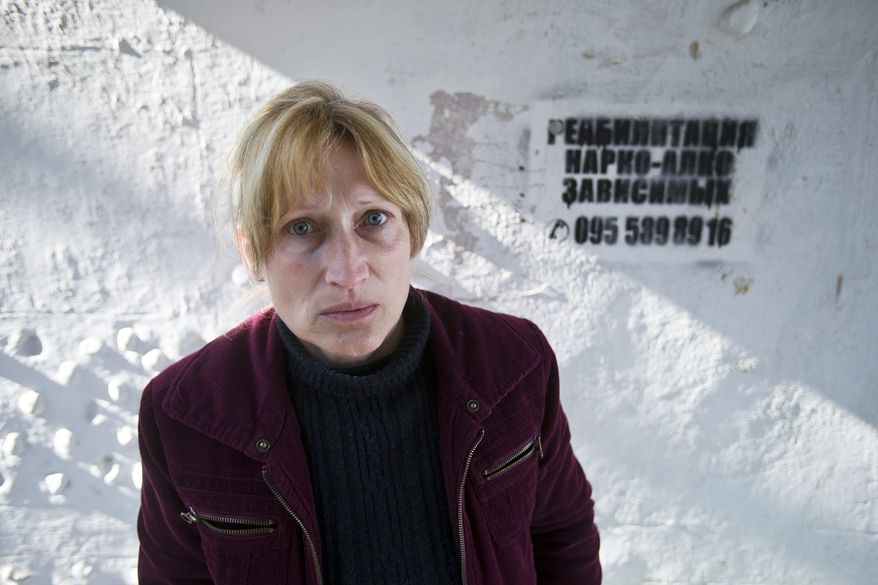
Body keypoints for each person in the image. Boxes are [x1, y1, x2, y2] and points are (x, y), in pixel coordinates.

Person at [137, 81, 601, 585]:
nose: (347, 270)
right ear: (252, 252)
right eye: (301, 227)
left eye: (373, 219)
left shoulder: (515, 364)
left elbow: (562, 534)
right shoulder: (184, 414)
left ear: (412, 231)